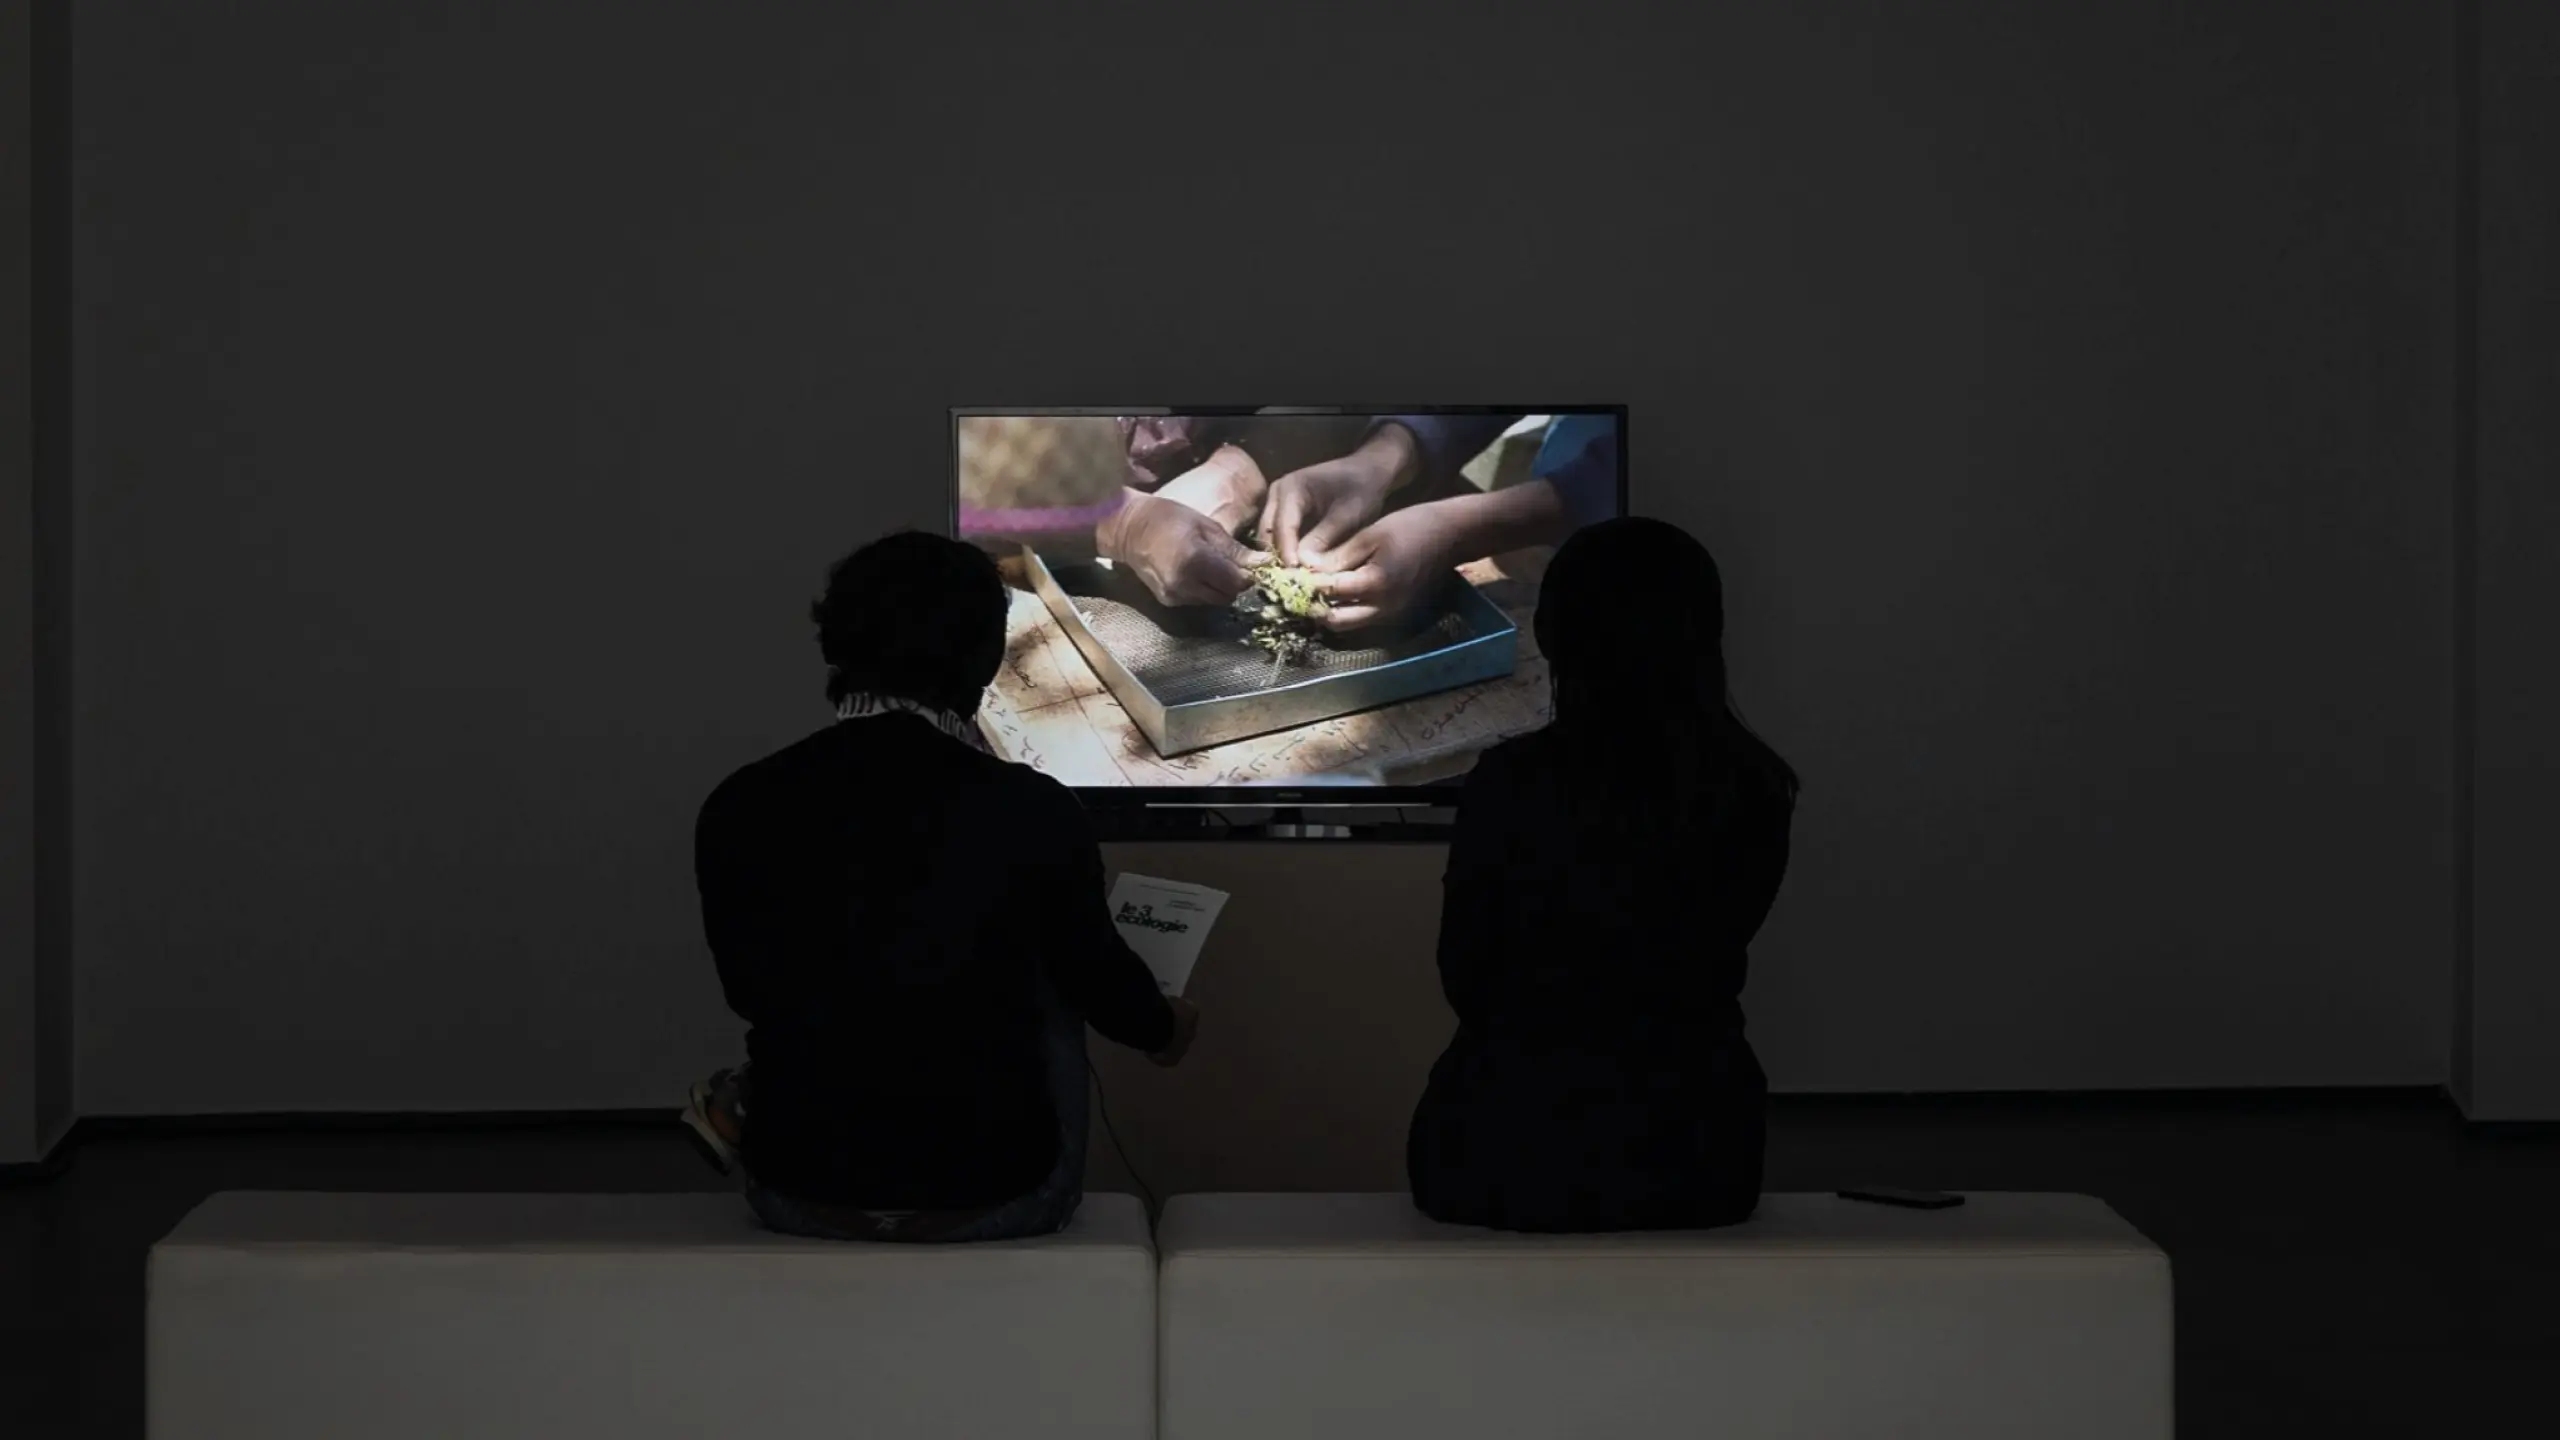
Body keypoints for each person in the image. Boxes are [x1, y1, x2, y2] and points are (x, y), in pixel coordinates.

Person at [683, 531, 1201, 1242]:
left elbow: (749, 990)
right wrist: (1167, 1029)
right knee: (1045, 975)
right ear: (988, 658)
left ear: (835, 646)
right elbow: (1099, 982)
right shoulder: (1034, 811)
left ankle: (742, 1102)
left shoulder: (740, 804)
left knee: (828, 984)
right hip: (998, 1194)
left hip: (797, 1192)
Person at [1406, 516, 1798, 1232]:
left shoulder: (1511, 783)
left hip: (1503, 1145)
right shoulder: (1756, 785)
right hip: (1698, 1150)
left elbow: (1468, 975)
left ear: (1550, 634)